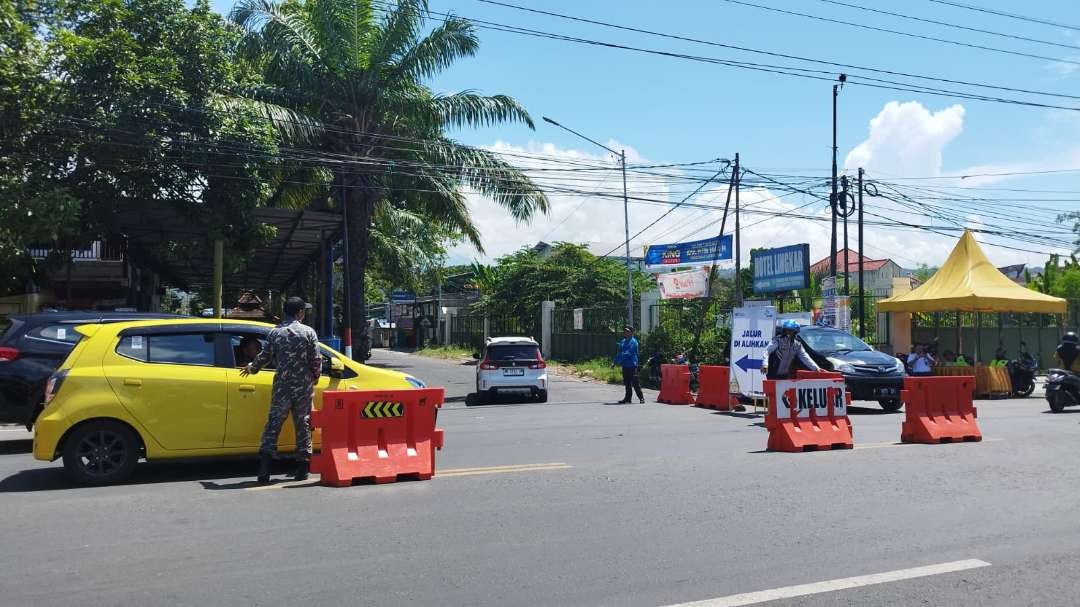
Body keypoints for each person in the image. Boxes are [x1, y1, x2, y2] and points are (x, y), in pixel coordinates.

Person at [242, 297, 322, 484]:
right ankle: (302, 469)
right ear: (299, 312)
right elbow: (316, 359)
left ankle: (264, 469)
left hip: (282, 387)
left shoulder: (275, 333)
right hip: (303, 386)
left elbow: (265, 356)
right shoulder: (308, 332)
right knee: (303, 424)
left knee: (273, 424)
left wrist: (252, 368)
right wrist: (315, 376)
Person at [613, 326, 644, 404]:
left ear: (631, 333)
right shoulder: (622, 341)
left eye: (627, 331)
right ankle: (628, 399)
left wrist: (621, 358)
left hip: (632, 365)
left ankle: (641, 398)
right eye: (625, 331)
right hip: (625, 365)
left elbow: (629, 352)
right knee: (627, 383)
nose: (626, 333)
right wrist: (614, 361)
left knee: (635, 383)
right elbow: (619, 353)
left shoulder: (634, 342)